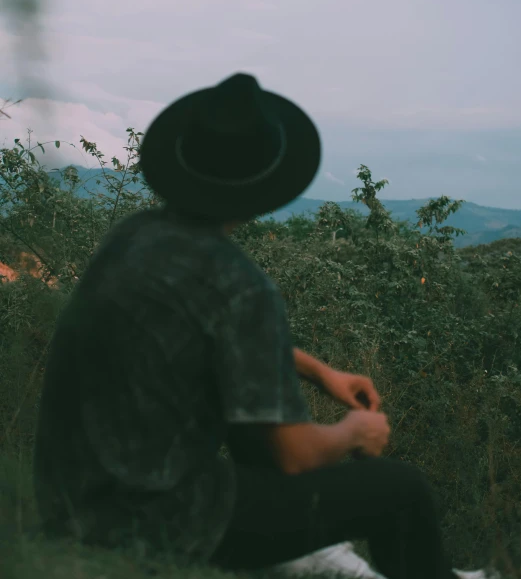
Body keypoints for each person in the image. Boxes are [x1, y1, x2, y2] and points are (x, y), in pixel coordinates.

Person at [32, 73, 497, 579]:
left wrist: (317, 370)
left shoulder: (136, 236)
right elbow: (291, 456)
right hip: (157, 520)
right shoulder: (238, 281)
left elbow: (195, 335)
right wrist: (353, 433)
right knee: (401, 490)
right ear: (269, 187)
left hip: (73, 499)